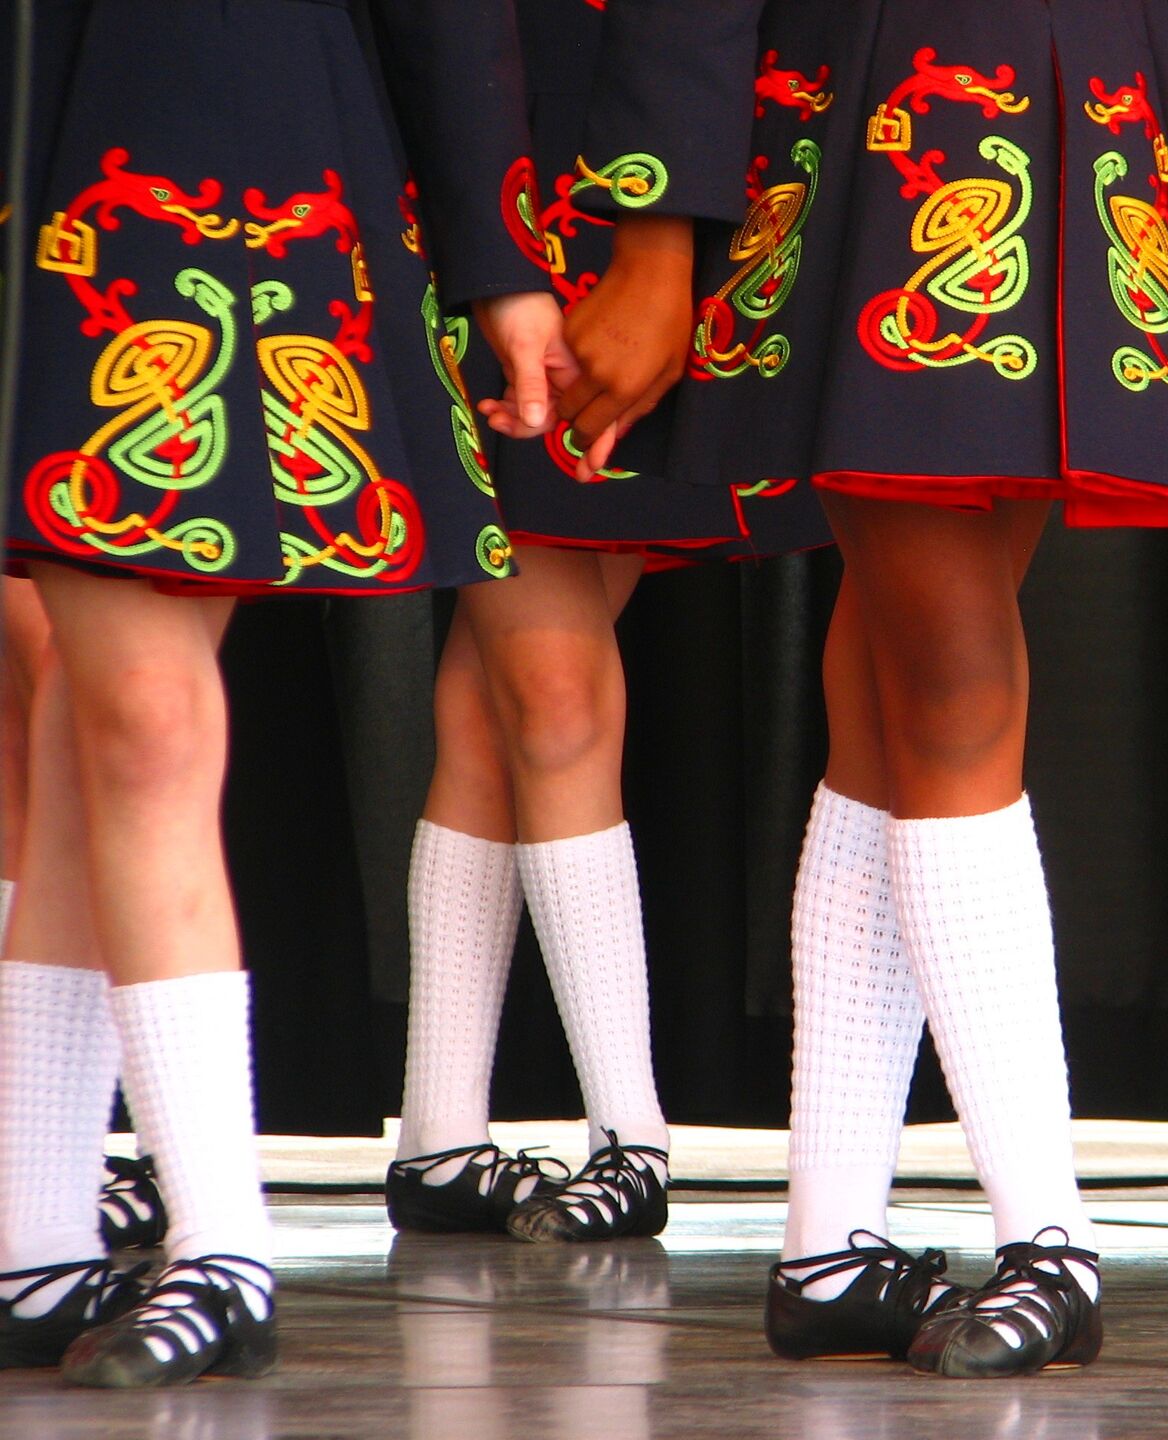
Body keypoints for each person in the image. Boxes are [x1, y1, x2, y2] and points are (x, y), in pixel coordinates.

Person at [562, 0, 1168, 1379]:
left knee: (897, 679)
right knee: (947, 678)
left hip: (1094, 128)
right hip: (882, 117)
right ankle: (1049, 1237)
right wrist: (654, 237)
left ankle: (829, 1244)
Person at [0, 0, 558, 1386]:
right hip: (48, 126)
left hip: (244, 129)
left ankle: (218, 1250)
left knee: (134, 711)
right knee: (99, 711)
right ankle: (39, 1247)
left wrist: (499, 264)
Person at [383, 0, 829, 1249]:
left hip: (643, 199)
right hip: (476, 202)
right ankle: (630, 1133)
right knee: (552, 689)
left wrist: (675, 235)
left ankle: (439, 1132)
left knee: (499, 700)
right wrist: (490, 257)